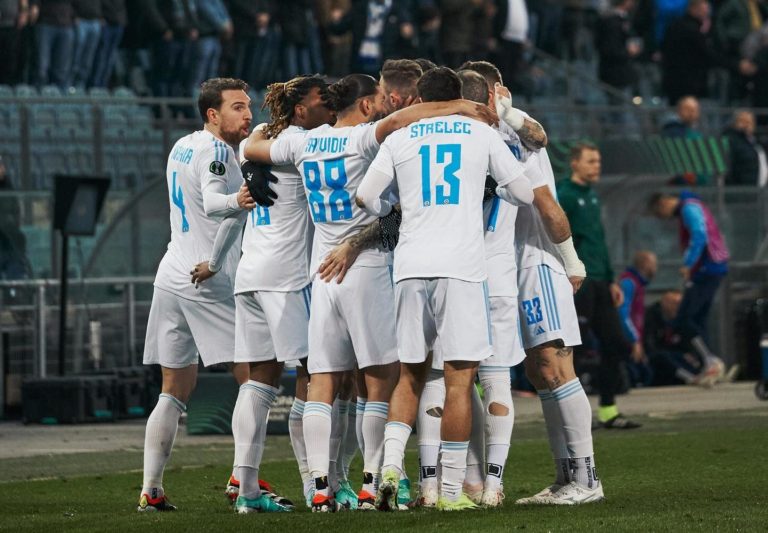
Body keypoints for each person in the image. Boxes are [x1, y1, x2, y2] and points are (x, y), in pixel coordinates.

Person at [243, 73, 495, 512]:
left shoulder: (303, 143)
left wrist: (255, 155)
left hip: (321, 273)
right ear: (363, 105)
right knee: (379, 385)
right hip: (367, 266)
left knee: (322, 381)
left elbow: (252, 144)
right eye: (377, 99)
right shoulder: (364, 139)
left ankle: (319, 487)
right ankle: (371, 484)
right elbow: (409, 119)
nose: (384, 105)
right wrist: (464, 108)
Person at [356, 66, 534, 512]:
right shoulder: (480, 133)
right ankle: (453, 494)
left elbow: (366, 197)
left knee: (411, 376)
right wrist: (495, 188)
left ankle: (391, 468)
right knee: (459, 381)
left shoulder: (400, 138)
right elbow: (525, 194)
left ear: (420, 95)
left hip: (411, 266)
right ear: (458, 96)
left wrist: (392, 204)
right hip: (462, 269)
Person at [458, 59, 601, 506]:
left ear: (499, 91)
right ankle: (565, 477)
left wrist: (571, 262)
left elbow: (546, 204)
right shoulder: (475, 137)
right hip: (500, 265)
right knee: (540, 374)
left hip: (538, 261)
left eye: (481, 97)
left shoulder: (520, 136)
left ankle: (588, 478)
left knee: (555, 365)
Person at [137, 78, 256, 512]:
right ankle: (245, 481)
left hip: (171, 273)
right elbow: (212, 205)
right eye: (238, 107)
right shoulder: (218, 152)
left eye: (248, 106)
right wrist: (243, 200)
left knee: (174, 386)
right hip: (207, 277)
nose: (248, 114)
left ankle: (152, 488)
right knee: (254, 376)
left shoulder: (182, 145)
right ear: (212, 114)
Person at [225, 76, 335, 514]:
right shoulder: (306, 143)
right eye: (320, 101)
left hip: (250, 273)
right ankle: (315, 484)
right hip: (288, 279)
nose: (329, 106)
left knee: (259, 383)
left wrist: (248, 156)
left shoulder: (265, 136)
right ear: (301, 111)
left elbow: (248, 144)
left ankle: (246, 490)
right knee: (317, 374)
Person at [557, 143, 640, 430]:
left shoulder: (591, 196)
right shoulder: (564, 194)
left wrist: (611, 278)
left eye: (598, 161)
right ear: (575, 164)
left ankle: (608, 409)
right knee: (574, 349)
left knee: (616, 343)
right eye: (591, 161)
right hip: (579, 282)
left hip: (600, 281)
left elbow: (598, 241)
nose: (597, 166)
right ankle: (573, 416)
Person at [648, 190, 729, 381]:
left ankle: (711, 360)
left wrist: (688, 263)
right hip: (714, 266)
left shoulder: (688, 208)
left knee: (684, 319)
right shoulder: (693, 205)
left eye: (661, 214)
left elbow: (699, 234)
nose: (665, 218)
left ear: (664, 202)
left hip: (707, 267)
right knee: (698, 319)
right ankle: (709, 364)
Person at [661, 0, 756, 104]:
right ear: (694, 8)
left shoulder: (677, 26)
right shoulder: (691, 30)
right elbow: (709, 55)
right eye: (704, 8)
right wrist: (736, 65)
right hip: (688, 84)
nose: (707, 11)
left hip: (673, 82)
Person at [618, 251, 658, 387]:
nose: (655, 268)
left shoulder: (639, 284)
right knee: (638, 376)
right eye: (653, 264)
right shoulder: (629, 283)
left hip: (633, 340)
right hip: (626, 341)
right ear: (645, 264)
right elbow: (623, 314)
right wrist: (634, 340)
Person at [723, 109, 768, 186]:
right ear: (735, 123)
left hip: (759, 189)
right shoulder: (731, 140)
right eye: (743, 121)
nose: (747, 125)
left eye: (750, 121)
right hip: (742, 189)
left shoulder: (755, 141)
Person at [89, 0, 126, 88]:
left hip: (118, 23)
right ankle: (95, 87)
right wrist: (99, 16)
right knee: (100, 58)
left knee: (110, 60)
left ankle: (103, 87)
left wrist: (122, 19)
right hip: (105, 23)